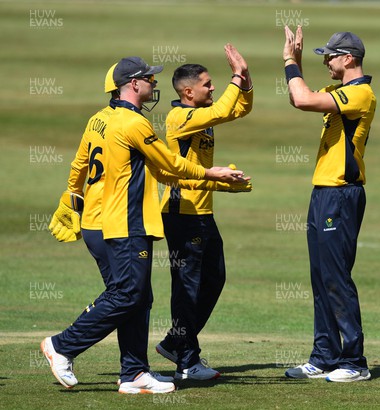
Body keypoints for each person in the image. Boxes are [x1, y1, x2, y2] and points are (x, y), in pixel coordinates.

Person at [41, 56, 246, 394]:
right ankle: (62, 345)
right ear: (133, 84)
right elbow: (168, 165)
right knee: (127, 295)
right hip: (123, 223)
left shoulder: (98, 119)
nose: (154, 84)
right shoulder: (134, 124)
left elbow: (80, 164)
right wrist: (212, 174)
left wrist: (70, 200)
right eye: (149, 79)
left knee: (137, 298)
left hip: (95, 223)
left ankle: (134, 373)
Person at [281, 26, 376, 383]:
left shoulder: (361, 94)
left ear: (348, 58)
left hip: (341, 193)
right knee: (320, 278)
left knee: (336, 278)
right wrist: (297, 62)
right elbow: (298, 97)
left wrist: (291, 61)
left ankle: (354, 360)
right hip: (323, 192)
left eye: (330, 56)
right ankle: (324, 355)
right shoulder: (341, 91)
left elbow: (304, 100)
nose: (327, 62)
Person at [155, 43, 253, 381]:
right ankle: (187, 360)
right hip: (181, 214)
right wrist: (236, 76)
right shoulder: (179, 117)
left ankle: (174, 342)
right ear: (188, 91)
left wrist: (246, 79)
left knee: (214, 278)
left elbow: (237, 110)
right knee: (188, 287)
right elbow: (225, 109)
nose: (213, 88)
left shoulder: (202, 116)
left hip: (201, 212)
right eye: (208, 84)